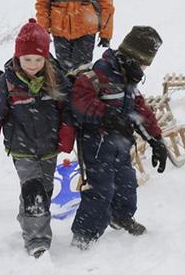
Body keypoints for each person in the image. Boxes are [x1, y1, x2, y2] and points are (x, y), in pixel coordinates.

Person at [0, 19, 75, 258]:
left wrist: (66, 133)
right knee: (34, 191)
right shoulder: (8, 82)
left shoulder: (55, 78)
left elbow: (68, 108)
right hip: (22, 148)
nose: (33, 65)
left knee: (45, 191)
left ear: (46, 58)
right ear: (17, 57)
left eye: (38, 59)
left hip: (49, 146)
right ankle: (37, 239)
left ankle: (29, 218)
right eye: (27, 59)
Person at [69, 26, 168, 249]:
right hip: (97, 143)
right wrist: (108, 115)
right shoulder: (99, 74)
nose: (144, 69)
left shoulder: (129, 79)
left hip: (121, 145)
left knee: (126, 183)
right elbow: (79, 102)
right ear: (132, 58)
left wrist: (156, 139)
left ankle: (121, 216)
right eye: (143, 63)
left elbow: (140, 110)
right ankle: (85, 234)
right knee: (100, 190)